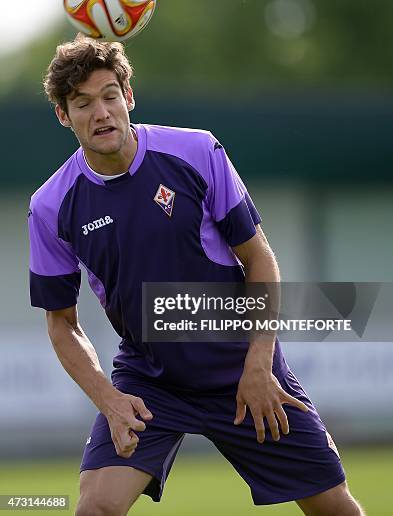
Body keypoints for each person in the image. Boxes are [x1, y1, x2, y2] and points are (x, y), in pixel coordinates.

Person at [28, 35, 364, 516]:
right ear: (64, 115)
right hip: (149, 379)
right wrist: (109, 400)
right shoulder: (50, 206)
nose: (100, 113)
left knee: (334, 508)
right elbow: (62, 322)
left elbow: (260, 260)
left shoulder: (197, 151)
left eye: (109, 96)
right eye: (82, 103)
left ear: (129, 97)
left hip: (240, 366)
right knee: (95, 508)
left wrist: (257, 367)